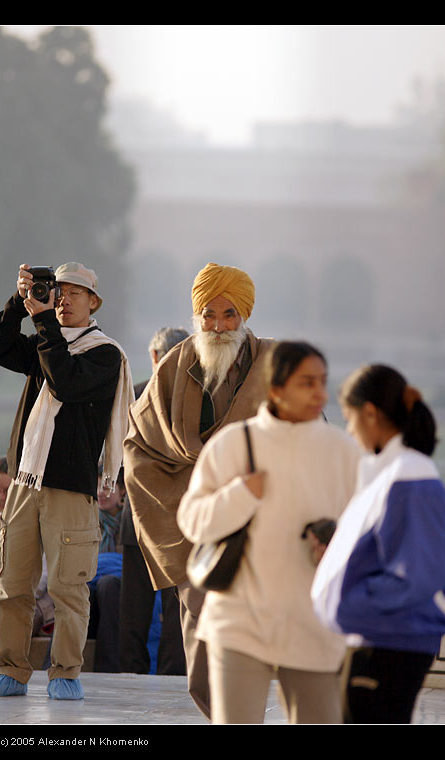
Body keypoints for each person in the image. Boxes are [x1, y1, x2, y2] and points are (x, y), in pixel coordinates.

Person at [177, 341, 360, 724]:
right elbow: (192, 521)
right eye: (307, 382)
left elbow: (367, 533)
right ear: (276, 388)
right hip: (240, 623)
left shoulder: (343, 452)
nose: (320, 394)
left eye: (323, 382)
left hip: (314, 624)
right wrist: (241, 495)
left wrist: (338, 547)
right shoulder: (233, 444)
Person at [124, 262, 274, 719]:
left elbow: (303, 435)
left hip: (256, 522)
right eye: (209, 315)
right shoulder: (176, 364)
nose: (219, 325)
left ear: (244, 315)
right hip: (192, 525)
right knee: (201, 631)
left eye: (229, 315)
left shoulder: (274, 363)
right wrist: (183, 497)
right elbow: (139, 443)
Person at [0, 262, 134, 700]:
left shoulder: (104, 353)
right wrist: (18, 303)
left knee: (68, 588)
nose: (64, 300)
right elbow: (1, 346)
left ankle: (65, 672)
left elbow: (65, 383)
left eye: (76, 293)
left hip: (70, 488)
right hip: (24, 482)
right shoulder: (45, 341)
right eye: (58, 291)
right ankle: (10, 670)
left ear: (93, 302)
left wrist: (42, 324)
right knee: (13, 584)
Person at [311, 364, 445, 724]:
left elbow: (418, 574)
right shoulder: (393, 473)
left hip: (387, 644)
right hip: (379, 641)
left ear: (371, 414)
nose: (349, 430)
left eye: (349, 419)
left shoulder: (409, 475)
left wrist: (349, 602)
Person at [119, 326, 189, 676]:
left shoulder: (133, 396)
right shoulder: (197, 398)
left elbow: (120, 455)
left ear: (155, 357)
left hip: (138, 515)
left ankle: (129, 673)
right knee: (176, 605)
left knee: (134, 606)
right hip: (178, 520)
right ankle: (173, 674)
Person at [87, 466, 126, 673]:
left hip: (120, 589)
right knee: (83, 591)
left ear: (122, 490)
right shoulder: (87, 521)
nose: (101, 492)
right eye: (98, 487)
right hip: (93, 589)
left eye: (108, 486)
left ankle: (108, 668)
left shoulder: (131, 521)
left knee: (108, 585)